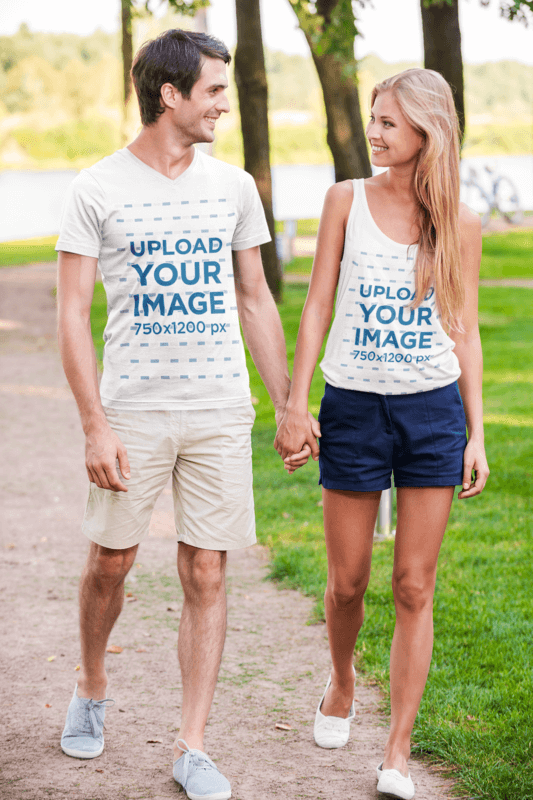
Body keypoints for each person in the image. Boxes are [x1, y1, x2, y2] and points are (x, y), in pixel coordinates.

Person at [56, 29, 305, 800]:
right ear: (170, 95)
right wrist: (96, 422)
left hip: (218, 409)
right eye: (213, 92)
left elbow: (254, 296)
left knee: (207, 568)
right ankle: (92, 683)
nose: (224, 105)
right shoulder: (97, 187)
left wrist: (289, 402)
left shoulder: (232, 187)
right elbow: (70, 313)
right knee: (112, 561)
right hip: (133, 410)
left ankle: (192, 744)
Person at [274, 68, 489, 800]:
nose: (374, 132)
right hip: (355, 409)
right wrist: (296, 404)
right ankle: (339, 684)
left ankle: (395, 750)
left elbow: (462, 329)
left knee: (413, 584)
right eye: (373, 118)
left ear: (427, 130)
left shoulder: (458, 220)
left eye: (389, 122)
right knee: (347, 582)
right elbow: (315, 307)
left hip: (431, 414)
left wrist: (475, 433)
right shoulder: (346, 199)